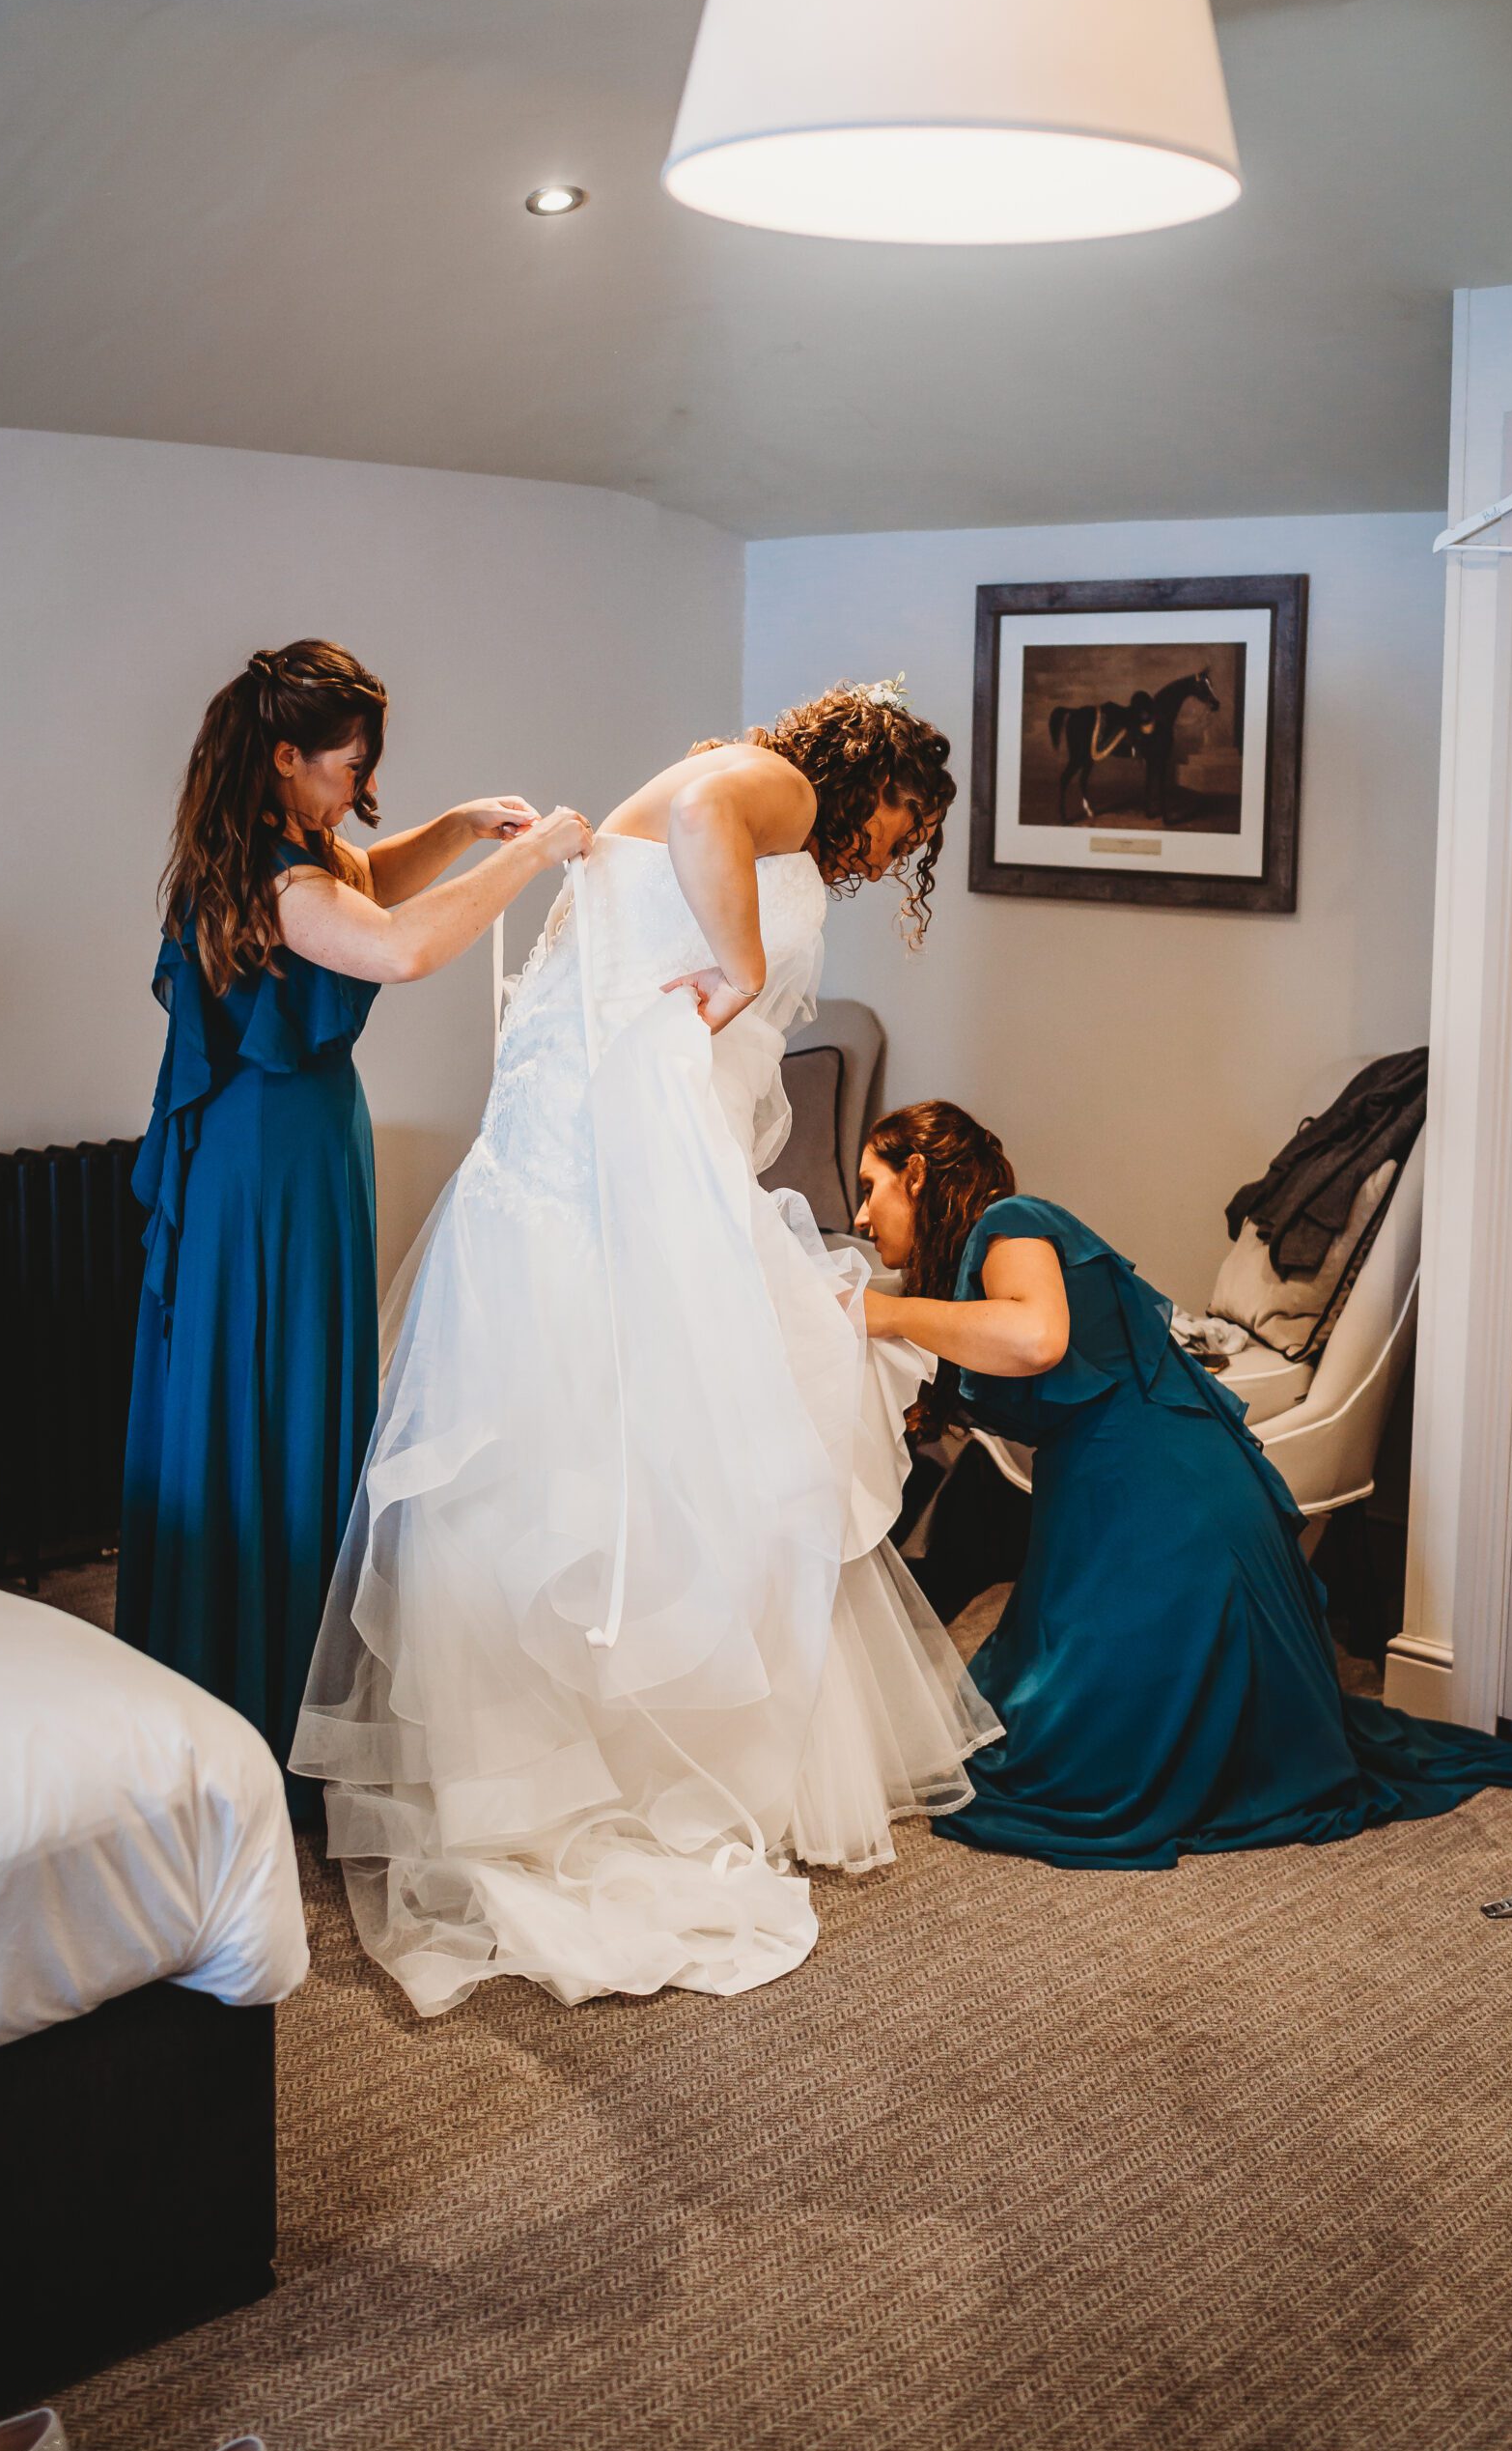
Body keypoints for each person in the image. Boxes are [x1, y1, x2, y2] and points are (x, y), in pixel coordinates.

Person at [291, 681, 997, 2009]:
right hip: (612, 1142)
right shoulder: (770, 782)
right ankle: (616, 1759)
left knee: (595, 1432)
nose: (892, 848)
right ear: (880, 777)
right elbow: (703, 819)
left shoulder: (755, 791)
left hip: (597, 1130)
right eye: (906, 822)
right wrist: (740, 971)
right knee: (672, 1428)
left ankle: (559, 1754)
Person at [118, 638, 588, 1809]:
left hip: (298, 1152)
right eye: (348, 764)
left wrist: (461, 827)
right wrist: (529, 855)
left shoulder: (279, 844)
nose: (361, 784)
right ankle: (252, 1700)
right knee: (266, 1398)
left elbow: (366, 873)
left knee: (287, 1393)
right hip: (267, 1174)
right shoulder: (278, 879)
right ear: (287, 757)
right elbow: (398, 943)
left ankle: (281, 1677)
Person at [856, 1100, 1512, 1869]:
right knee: (1022, 1717)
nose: (861, 1217)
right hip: (1103, 1498)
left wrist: (886, 1315)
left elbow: (1036, 1340)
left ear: (917, 1174)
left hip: (1165, 1502)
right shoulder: (971, 1269)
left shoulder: (1012, 1221)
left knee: (1073, 1768)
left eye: (869, 1188)